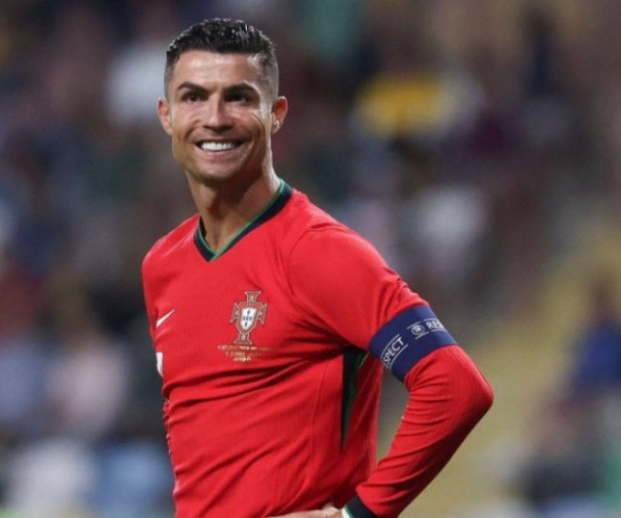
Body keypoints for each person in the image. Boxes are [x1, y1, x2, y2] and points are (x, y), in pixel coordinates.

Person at [141, 18, 493, 518]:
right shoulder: (163, 264)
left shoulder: (318, 252)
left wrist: (356, 515)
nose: (214, 118)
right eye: (194, 97)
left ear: (276, 114)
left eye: (238, 98)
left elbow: (454, 385)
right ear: (167, 115)